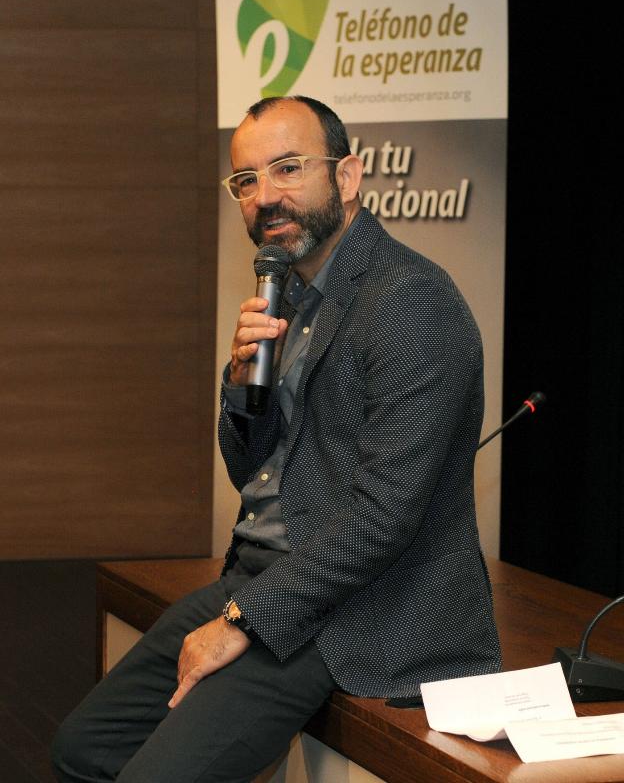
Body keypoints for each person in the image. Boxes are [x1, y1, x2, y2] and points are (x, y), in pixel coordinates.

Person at [52, 96, 500, 782]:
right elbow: (251, 471)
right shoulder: (285, 292)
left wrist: (241, 620)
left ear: (347, 178)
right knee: (82, 748)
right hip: (265, 574)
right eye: (246, 180)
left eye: (288, 169)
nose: (266, 197)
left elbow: (383, 519)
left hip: (355, 608)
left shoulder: (411, 302)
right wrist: (241, 384)